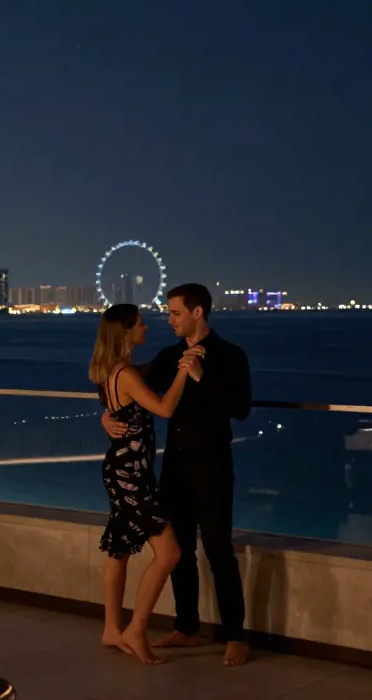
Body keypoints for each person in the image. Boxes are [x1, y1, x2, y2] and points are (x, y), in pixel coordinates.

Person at [102, 283, 252, 666]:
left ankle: (235, 635)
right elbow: (121, 381)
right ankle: (187, 627)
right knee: (180, 551)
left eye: (175, 313)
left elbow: (241, 407)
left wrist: (201, 376)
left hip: (214, 466)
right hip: (174, 468)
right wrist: (108, 415)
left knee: (219, 549)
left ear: (197, 312)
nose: (168, 320)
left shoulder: (230, 356)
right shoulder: (170, 357)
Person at [89, 304, 188, 665]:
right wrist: (184, 372)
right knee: (170, 553)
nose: (147, 326)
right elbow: (163, 409)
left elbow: (124, 399)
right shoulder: (125, 373)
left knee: (120, 548)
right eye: (141, 323)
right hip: (131, 473)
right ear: (126, 332)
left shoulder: (109, 371)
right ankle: (136, 629)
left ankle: (112, 628)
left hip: (122, 468)